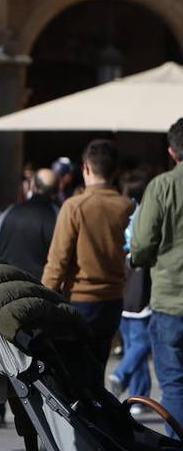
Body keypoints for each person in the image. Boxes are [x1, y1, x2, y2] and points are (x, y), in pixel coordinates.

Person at [42, 138, 133, 383]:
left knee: (74, 378)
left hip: (80, 299)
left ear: (86, 168)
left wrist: (44, 300)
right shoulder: (126, 207)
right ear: (116, 172)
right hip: (113, 299)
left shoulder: (74, 206)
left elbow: (57, 261)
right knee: (96, 371)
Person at [130, 117, 183, 438]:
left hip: (171, 299)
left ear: (172, 152)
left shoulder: (162, 186)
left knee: (175, 384)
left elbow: (141, 244)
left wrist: (141, 259)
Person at [111, 170, 152, 410]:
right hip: (139, 282)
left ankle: (139, 394)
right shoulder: (143, 215)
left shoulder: (122, 215)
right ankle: (126, 378)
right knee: (141, 340)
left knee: (132, 340)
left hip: (122, 283)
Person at [0, 168, 58, 278]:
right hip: (41, 289)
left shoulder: (9, 212)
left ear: (33, 186)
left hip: (7, 284)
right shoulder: (58, 215)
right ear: (56, 190)